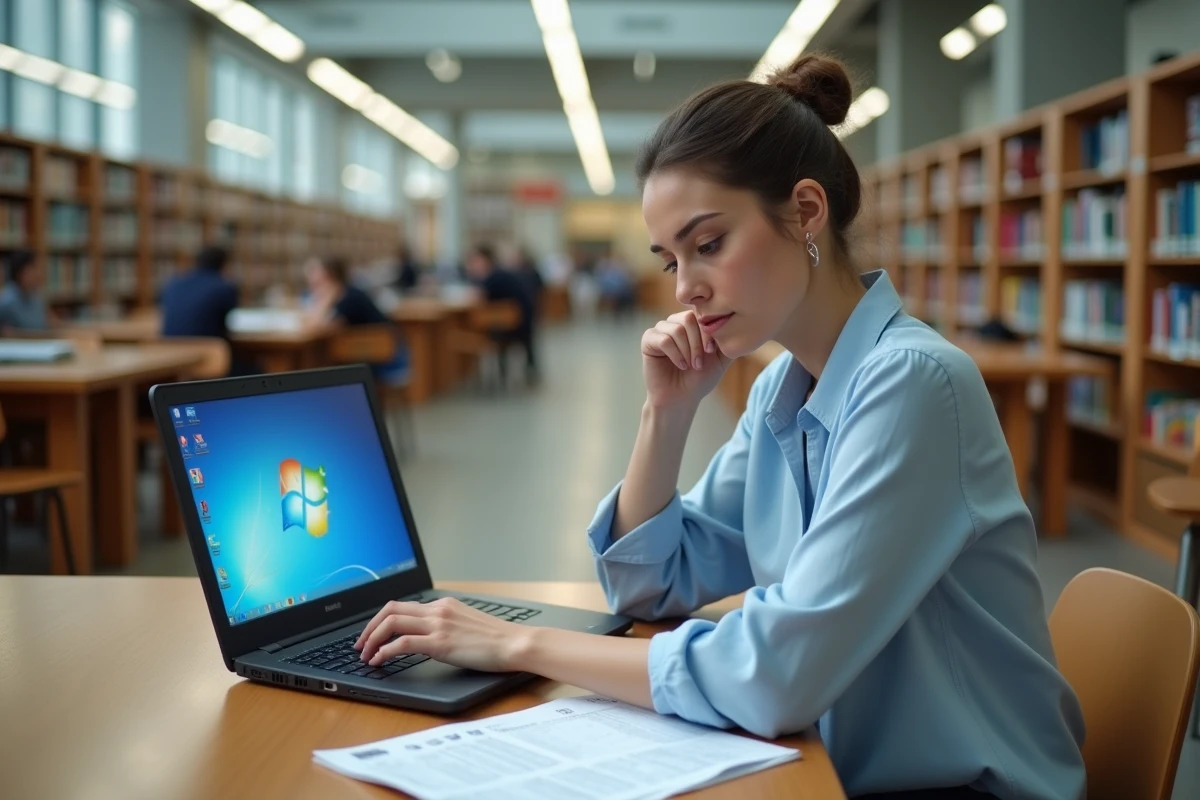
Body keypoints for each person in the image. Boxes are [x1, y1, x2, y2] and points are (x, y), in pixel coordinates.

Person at [348, 55, 1086, 799]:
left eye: (709, 244)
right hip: (834, 765)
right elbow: (651, 587)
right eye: (669, 259)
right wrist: (665, 414)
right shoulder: (782, 389)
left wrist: (520, 642)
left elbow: (777, 676)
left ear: (805, 212)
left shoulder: (913, 384)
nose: (684, 288)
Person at [303, 254, 408, 381]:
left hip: (382, 357)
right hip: (363, 357)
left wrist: (325, 299)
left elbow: (316, 327)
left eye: (314, 274)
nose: (310, 280)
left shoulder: (349, 297)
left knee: (321, 360)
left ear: (329, 277)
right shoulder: (343, 293)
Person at [464, 244, 539, 384]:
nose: (472, 265)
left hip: (511, 325)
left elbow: (477, 297)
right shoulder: (500, 274)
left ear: (485, 261)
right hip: (524, 323)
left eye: (475, 261)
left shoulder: (494, 277)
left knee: (479, 330)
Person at [160, 245, 238, 340]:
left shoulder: (173, 283)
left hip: (169, 346)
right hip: (208, 349)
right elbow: (231, 322)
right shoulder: (223, 287)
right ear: (224, 265)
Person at [0, 250, 52, 333]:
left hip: (41, 343)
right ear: (20, 273)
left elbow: (48, 325)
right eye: (34, 269)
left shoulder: (37, 297)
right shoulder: (6, 302)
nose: (39, 274)